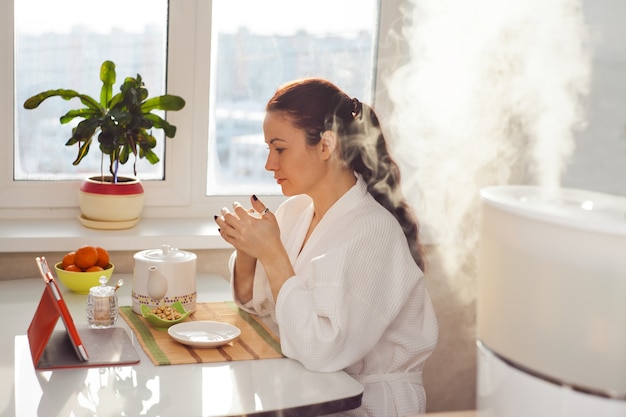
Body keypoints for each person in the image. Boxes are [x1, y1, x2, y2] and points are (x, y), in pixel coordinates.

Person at [215, 78, 438, 417]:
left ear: (325, 146)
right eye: (268, 150)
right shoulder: (294, 213)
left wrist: (273, 253)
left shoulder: (374, 232)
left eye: (280, 148)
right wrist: (248, 248)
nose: (269, 165)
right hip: (310, 391)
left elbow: (323, 351)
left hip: (367, 404)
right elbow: (255, 305)